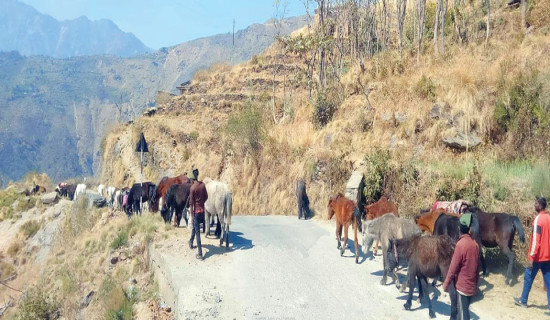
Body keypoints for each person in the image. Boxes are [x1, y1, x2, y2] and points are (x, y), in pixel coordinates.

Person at [514, 197, 550, 316]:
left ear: (540, 205)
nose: (534, 205)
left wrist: (531, 256)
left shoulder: (538, 220)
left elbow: (536, 241)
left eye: (535, 204)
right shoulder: (549, 218)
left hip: (538, 257)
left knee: (528, 277)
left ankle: (523, 301)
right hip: (548, 257)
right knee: (549, 282)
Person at [443, 213, 480, 320]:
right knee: (464, 311)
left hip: (462, 288)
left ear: (459, 228)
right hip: (471, 286)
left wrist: (446, 283)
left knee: (464, 314)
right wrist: (476, 284)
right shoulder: (475, 245)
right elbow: (477, 269)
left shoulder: (460, 245)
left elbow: (453, 268)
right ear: (469, 229)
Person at [188, 169, 208, 260]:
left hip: (196, 212)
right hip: (202, 211)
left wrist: (191, 216)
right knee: (195, 228)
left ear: (192, 179)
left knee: (198, 233)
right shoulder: (203, 185)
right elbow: (206, 196)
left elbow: (191, 204)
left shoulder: (192, 188)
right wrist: (201, 203)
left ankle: (200, 253)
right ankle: (191, 242)